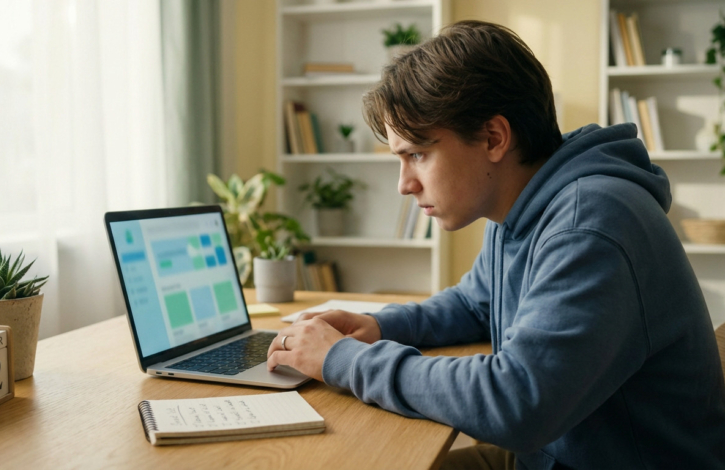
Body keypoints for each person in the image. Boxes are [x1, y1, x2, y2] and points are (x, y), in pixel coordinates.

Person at [267, 20, 725, 469]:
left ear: (493, 137)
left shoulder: (590, 225)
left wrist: (342, 360)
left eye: (417, 154)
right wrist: (380, 326)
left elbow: (517, 400)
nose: (404, 185)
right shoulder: (523, 203)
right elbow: (475, 304)